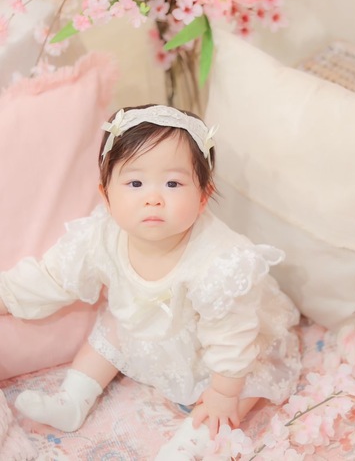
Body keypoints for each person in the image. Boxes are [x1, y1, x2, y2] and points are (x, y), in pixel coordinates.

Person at [0, 104, 301, 459]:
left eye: (173, 183)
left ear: (203, 197)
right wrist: (7, 295)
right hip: (145, 331)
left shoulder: (219, 260)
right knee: (109, 330)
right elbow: (54, 275)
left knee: (244, 384)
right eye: (135, 183)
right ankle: (72, 399)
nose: (153, 198)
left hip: (219, 350)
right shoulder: (101, 235)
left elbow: (231, 336)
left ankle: (191, 443)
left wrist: (223, 393)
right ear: (106, 195)